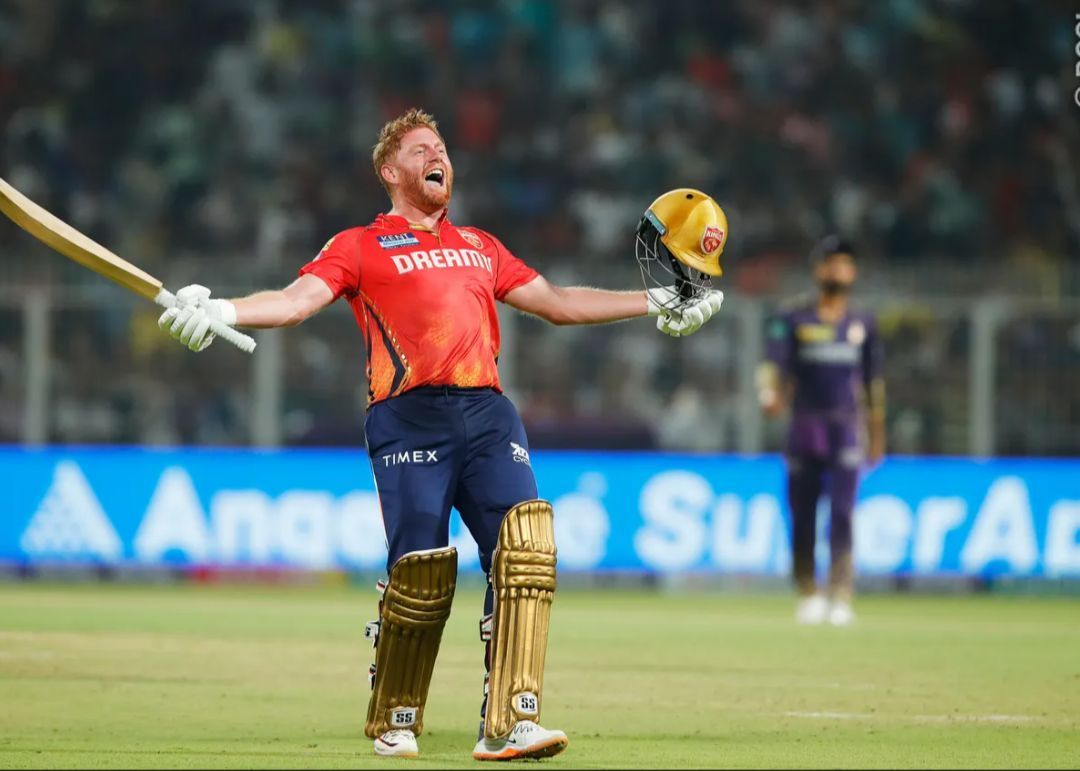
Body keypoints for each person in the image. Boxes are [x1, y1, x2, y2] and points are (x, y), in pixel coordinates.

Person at [157, 109, 727, 760]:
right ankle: (396, 716)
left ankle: (511, 719)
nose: (440, 156)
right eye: (423, 148)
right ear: (389, 170)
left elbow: (560, 303)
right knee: (420, 572)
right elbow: (294, 301)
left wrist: (657, 303)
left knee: (525, 548)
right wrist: (223, 309)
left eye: (444, 148)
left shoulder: (482, 246)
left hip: (488, 413)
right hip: (407, 414)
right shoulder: (359, 246)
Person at [757, 236, 885, 627]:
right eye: (830, 263)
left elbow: (873, 382)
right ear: (818, 271)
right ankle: (809, 591)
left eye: (844, 264)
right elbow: (772, 364)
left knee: (843, 513)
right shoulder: (792, 318)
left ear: (853, 272)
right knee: (803, 512)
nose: (837, 270)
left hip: (846, 428)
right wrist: (768, 394)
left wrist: (877, 433)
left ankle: (841, 593)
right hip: (805, 425)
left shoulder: (863, 323)